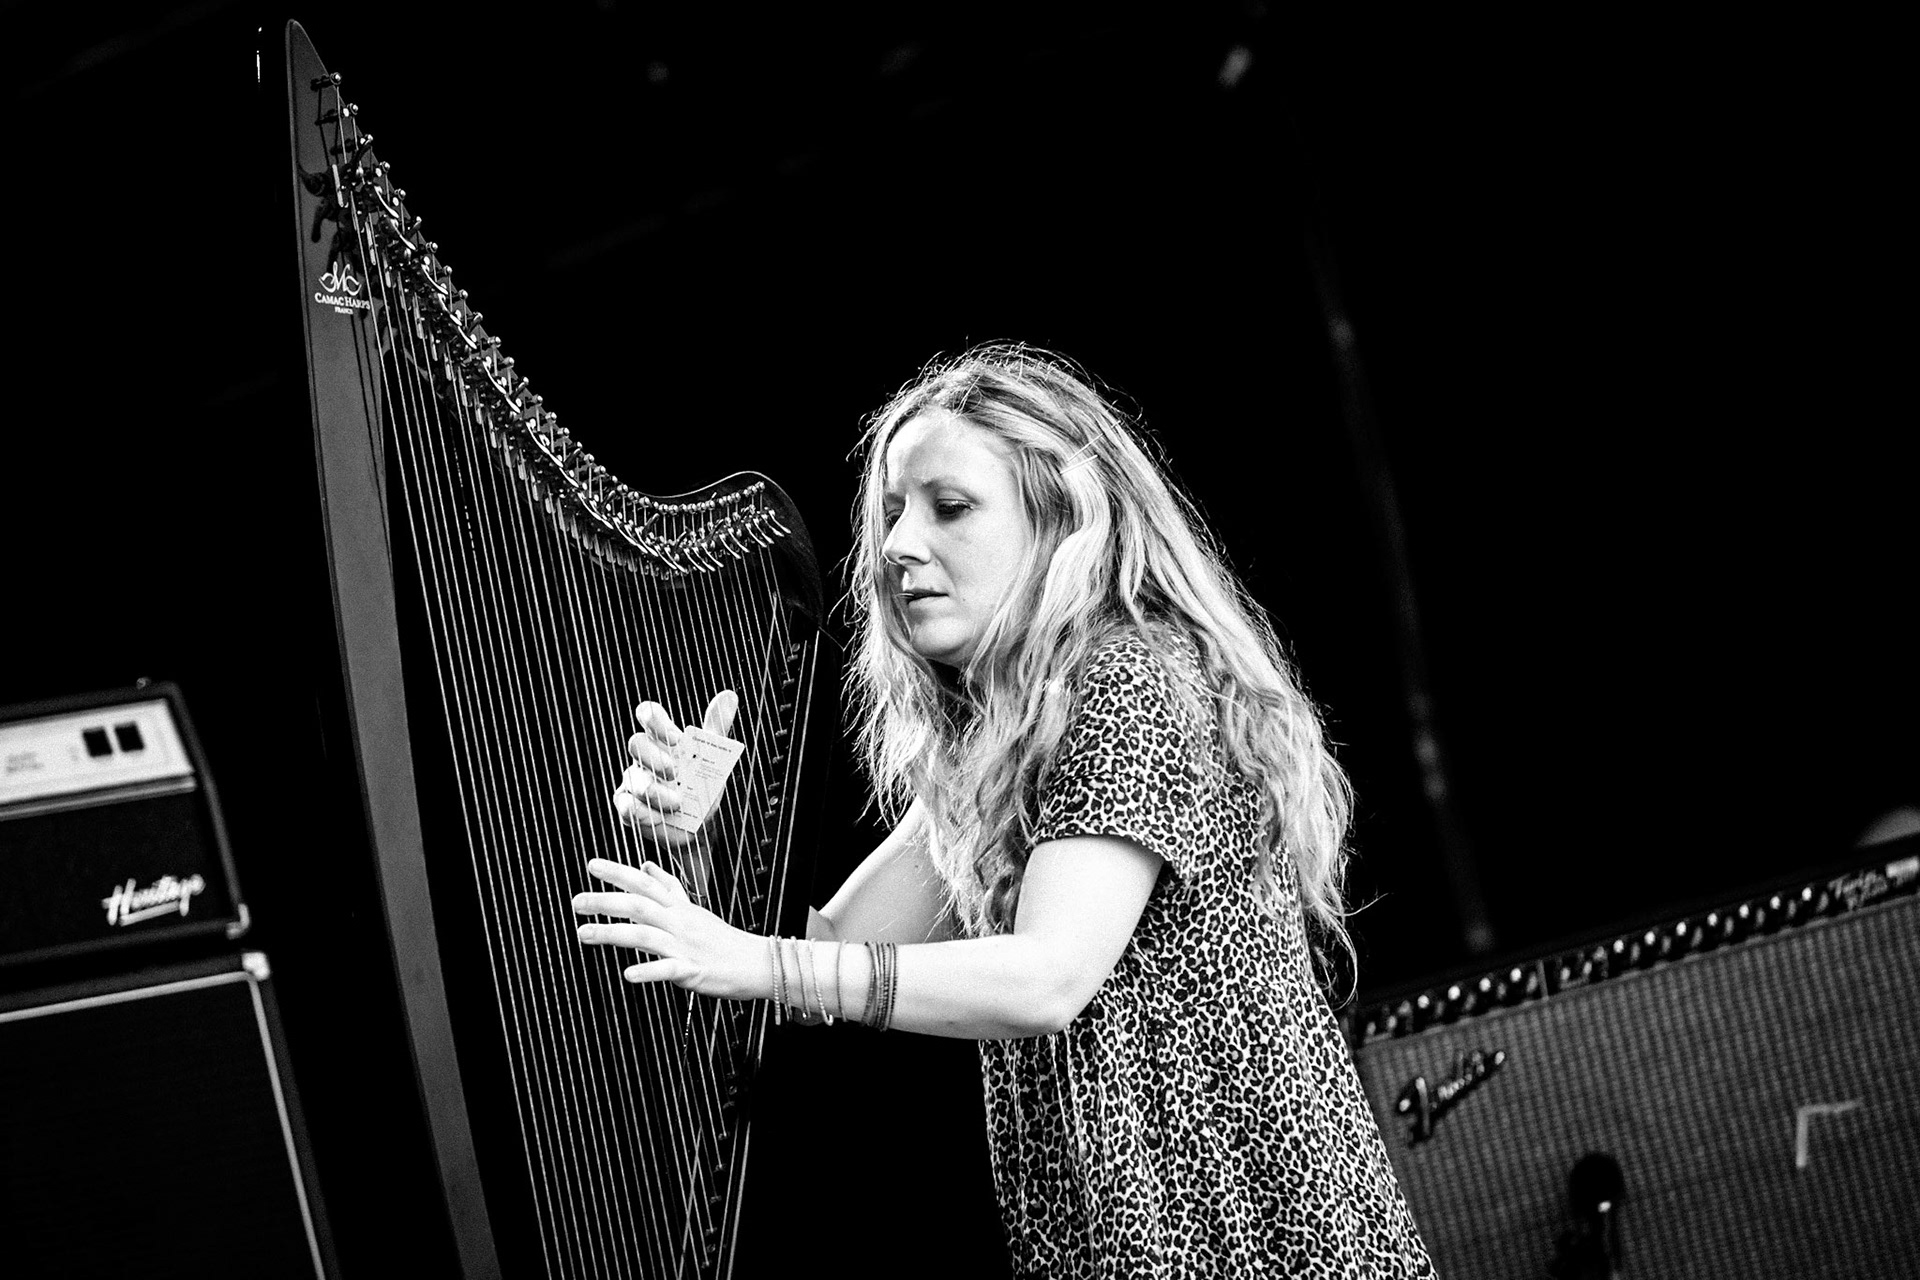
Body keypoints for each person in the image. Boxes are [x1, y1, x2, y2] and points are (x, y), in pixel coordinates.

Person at [572, 344, 1436, 1277]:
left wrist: (764, 962)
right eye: (894, 513)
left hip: (1243, 1231)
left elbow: (1044, 980)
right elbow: (823, 957)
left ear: (1062, 524)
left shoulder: (1127, 681)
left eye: (950, 508)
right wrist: (705, 851)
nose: (900, 545)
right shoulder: (989, 752)